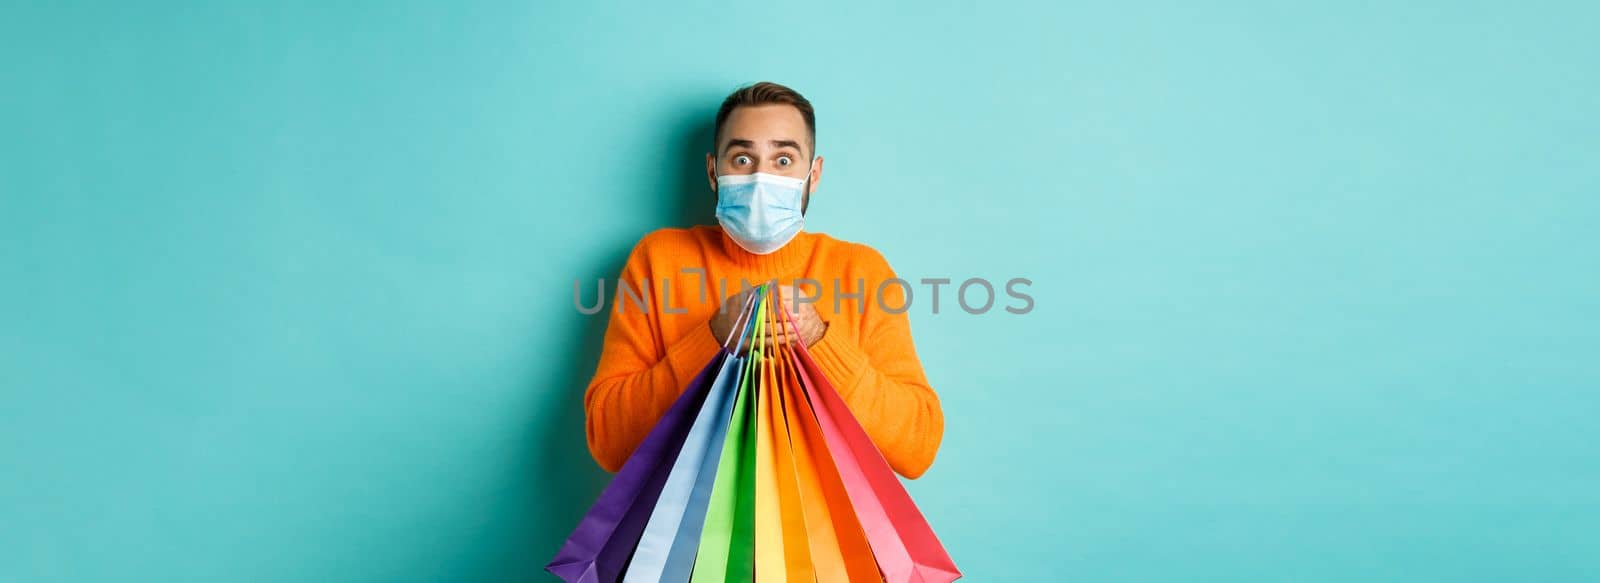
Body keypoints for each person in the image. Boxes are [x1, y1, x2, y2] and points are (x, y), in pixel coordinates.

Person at [583, 81, 945, 479]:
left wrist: (820, 339)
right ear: (712, 171)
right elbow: (610, 443)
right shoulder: (659, 261)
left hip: (824, 537)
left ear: (815, 174)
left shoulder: (860, 270)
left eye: (783, 160)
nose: (761, 178)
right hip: (686, 537)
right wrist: (712, 340)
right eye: (741, 159)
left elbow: (918, 447)